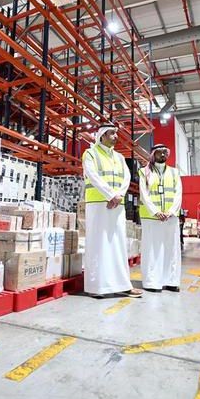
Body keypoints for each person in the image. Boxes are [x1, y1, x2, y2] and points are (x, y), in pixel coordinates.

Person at [82, 123, 143, 299]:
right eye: (112, 133)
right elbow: (93, 176)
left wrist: (119, 195)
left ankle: (123, 285)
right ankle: (97, 286)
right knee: (98, 244)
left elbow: (127, 177)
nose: (116, 136)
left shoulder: (119, 157)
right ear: (102, 136)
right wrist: (111, 195)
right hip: (98, 204)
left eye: (116, 133)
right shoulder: (91, 153)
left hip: (117, 204)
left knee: (118, 245)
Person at [138, 144, 183, 292]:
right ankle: (152, 282)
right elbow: (144, 194)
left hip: (171, 217)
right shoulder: (144, 172)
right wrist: (156, 211)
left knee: (172, 249)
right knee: (152, 250)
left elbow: (178, 193)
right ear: (153, 154)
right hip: (151, 217)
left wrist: (171, 211)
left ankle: (171, 281)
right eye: (159, 152)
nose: (163, 155)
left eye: (165, 152)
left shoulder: (174, 172)